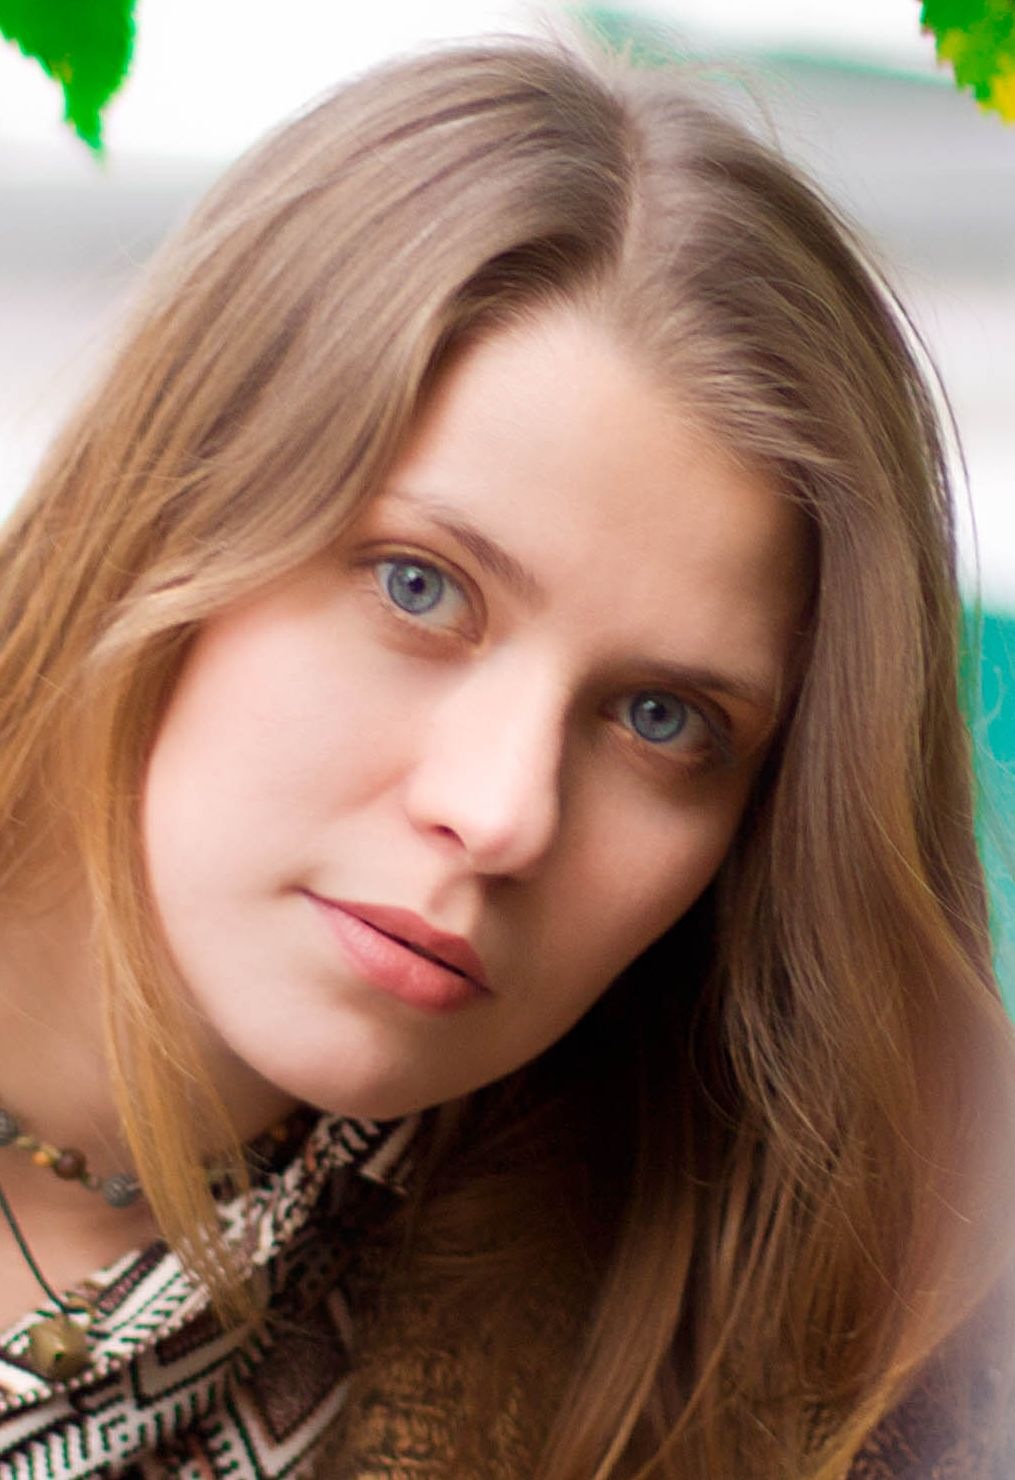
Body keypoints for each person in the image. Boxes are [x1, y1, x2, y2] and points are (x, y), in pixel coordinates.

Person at [0, 34, 1012, 1480]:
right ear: (171, 508)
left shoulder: (767, 1376)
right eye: (419, 588)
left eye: (663, 720)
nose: (499, 813)